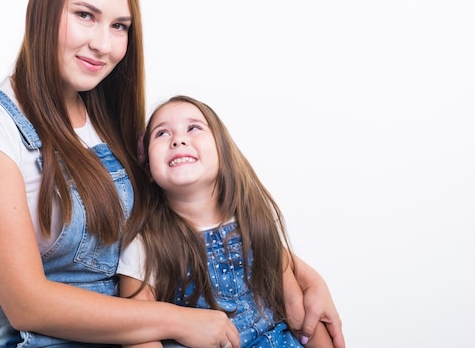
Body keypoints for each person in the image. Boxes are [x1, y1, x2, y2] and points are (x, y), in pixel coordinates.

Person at [0, 0, 344, 348]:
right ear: (42, 11)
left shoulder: (111, 125)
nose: (104, 44)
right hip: (28, 336)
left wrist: (305, 276)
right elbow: (26, 304)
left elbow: (187, 217)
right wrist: (173, 320)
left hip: (126, 330)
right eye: (86, 16)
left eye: (119, 26)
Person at [118, 95, 344, 348]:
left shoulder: (253, 223)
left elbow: (299, 315)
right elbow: (139, 330)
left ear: (222, 151)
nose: (178, 139)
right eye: (161, 133)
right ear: (147, 166)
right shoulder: (145, 242)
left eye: (193, 128)